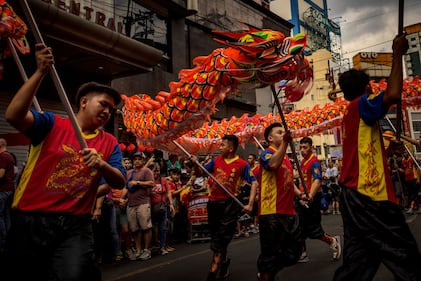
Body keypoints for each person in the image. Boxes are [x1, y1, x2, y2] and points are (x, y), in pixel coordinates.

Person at [3, 43, 126, 281]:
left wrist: (101, 165)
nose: (107, 112)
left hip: (75, 226)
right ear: (83, 102)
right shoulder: (51, 124)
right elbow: (13, 116)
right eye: (103, 104)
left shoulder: (110, 142)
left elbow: (119, 180)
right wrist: (39, 72)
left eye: (111, 110)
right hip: (31, 220)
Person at [333, 34, 421, 281]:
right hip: (369, 195)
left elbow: (363, 153)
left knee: (358, 263)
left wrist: (388, 152)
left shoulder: (353, 113)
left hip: (353, 194)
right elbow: (393, 94)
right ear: (368, 88)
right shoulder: (363, 103)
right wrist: (397, 55)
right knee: (405, 256)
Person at [193, 134, 258, 281]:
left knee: (222, 238)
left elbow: (254, 182)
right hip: (213, 204)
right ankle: (224, 261)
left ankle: (212, 272)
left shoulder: (242, 164)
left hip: (230, 204)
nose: (219, 147)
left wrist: (250, 204)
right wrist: (196, 164)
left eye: (222, 145)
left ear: (231, 147)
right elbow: (201, 172)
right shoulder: (215, 161)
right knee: (217, 237)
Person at [256, 123, 305, 281]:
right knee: (271, 255)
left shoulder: (285, 158)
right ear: (270, 138)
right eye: (279, 132)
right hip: (271, 213)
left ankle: (267, 273)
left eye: (284, 132)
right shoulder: (266, 154)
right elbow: (272, 165)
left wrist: (300, 195)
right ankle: (265, 274)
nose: (283, 134)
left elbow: (289, 181)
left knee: (294, 252)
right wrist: (285, 142)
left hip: (288, 211)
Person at [296, 137, 341, 262]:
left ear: (311, 148)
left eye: (305, 147)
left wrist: (310, 195)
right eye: (300, 147)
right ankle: (302, 253)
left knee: (314, 230)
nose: (302, 150)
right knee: (299, 227)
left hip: (312, 199)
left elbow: (317, 180)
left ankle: (332, 241)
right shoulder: (302, 162)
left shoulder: (314, 162)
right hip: (302, 199)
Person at [122, 151, 154, 261]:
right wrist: (122, 198)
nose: (137, 161)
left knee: (145, 227)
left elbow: (151, 183)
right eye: (135, 159)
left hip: (143, 203)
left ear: (143, 160)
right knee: (134, 229)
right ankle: (138, 249)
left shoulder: (146, 171)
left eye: (139, 159)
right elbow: (126, 187)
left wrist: (138, 183)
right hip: (131, 204)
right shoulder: (129, 172)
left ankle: (147, 250)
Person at [0, 138, 15, 255]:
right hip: (9, 190)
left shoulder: (3, 157)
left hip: (3, 190)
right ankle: (9, 240)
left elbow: (1, 174)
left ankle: (3, 240)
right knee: (6, 215)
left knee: (0, 215)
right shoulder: (9, 156)